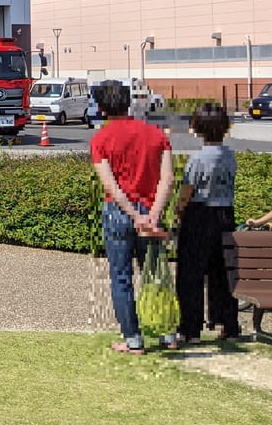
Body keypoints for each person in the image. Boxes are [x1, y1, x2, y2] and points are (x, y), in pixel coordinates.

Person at [90, 79, 174, 355]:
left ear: (101, 107)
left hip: (119, 212)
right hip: (150, 209)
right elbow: (168, 179)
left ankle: (133, 339)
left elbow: (111, 186)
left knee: (121, 277)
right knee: (155, 274)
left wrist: (133, 214)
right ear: (128, 102)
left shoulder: (101, 139)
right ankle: (167, 333)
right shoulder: (156, 134)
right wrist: (152, 214)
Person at [172, 103, 240, 344]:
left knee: (191, 274)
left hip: (199, 215)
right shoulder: (230, 156)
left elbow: (186, 191)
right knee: (223, 272)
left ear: (198, 128)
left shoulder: (197, 159)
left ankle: (191, 329)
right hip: (225, 214)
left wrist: (178, 212)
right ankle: (228, 325)